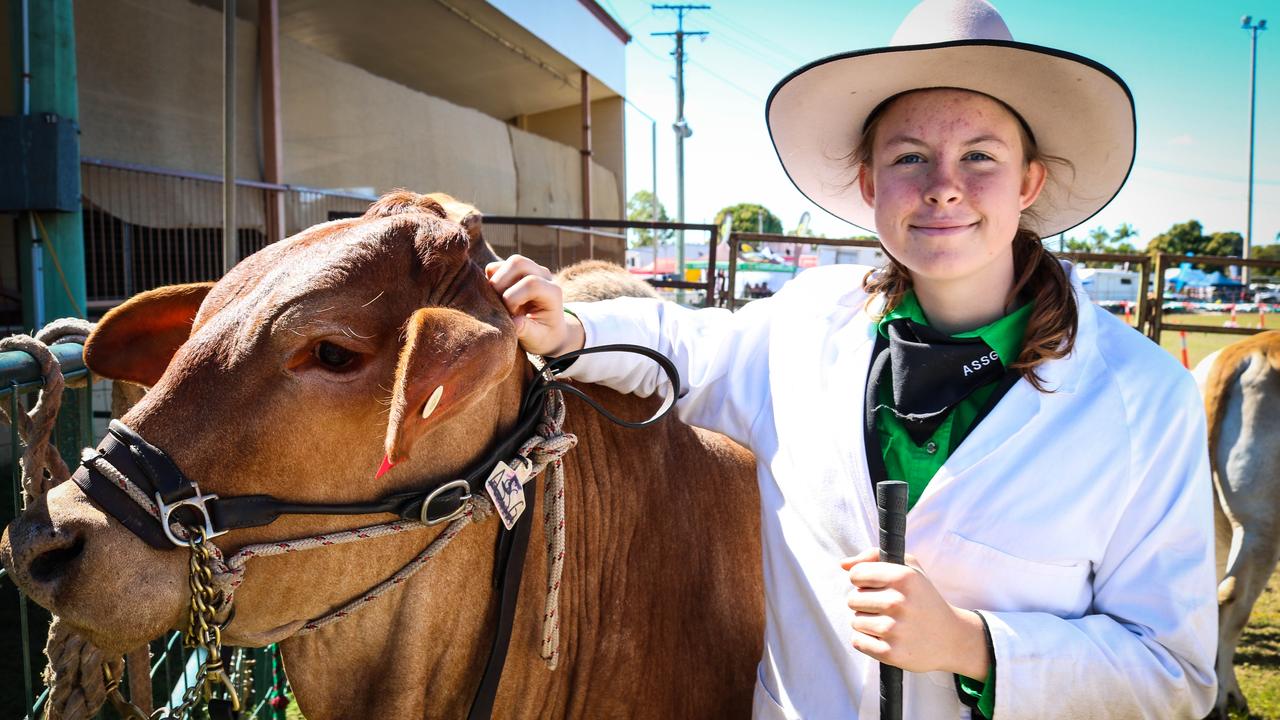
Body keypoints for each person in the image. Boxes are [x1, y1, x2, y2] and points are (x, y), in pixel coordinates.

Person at [486, 1, 1216, 717]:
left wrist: (975, 646)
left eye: (980, 156)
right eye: (909, 156)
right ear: (870, 184)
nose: (942, 184)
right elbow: (685, 347)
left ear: (1029, 182)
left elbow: (1175, 677)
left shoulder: (1144, 399)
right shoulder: (804, 326)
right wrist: (568, 328)